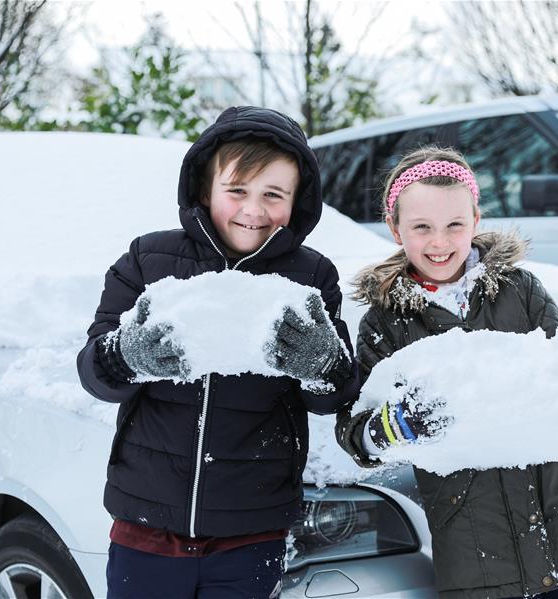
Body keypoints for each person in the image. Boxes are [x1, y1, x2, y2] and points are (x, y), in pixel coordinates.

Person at [335, 146, 558, 599]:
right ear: (394, 227)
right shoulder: (386, 323)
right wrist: (395, 424)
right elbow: (356, 431)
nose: (439, 242)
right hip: (479, 553)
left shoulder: (520, 292)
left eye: (454, 226)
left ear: (476, 221)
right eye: (421, 227)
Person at [77, 106, 359, 599]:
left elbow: (333, 394)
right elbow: (95, 373)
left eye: (274, 195)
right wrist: (127, 355)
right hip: (146, 519)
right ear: (206, 190)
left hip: (251, 529)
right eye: (237, 191)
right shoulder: (149, 259)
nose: (254, 209)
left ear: (298, 203)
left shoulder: (311, 276)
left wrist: (322, 365)